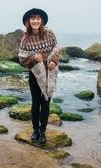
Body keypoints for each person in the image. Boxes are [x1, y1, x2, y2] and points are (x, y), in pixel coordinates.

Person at [18, 8, 61, 145]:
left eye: (38, 18)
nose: (35, 21)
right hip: (35, 74)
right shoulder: (25, 39)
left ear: (41, 21)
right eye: (33, 18)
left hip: (50, 72)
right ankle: (35, 130)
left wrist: (54, 61)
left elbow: (57, 48)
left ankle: (43, 131)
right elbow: (22, 57)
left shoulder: (49, 34)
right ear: (28, 21)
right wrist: (33, 58)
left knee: (46, 102)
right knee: (36, 103)